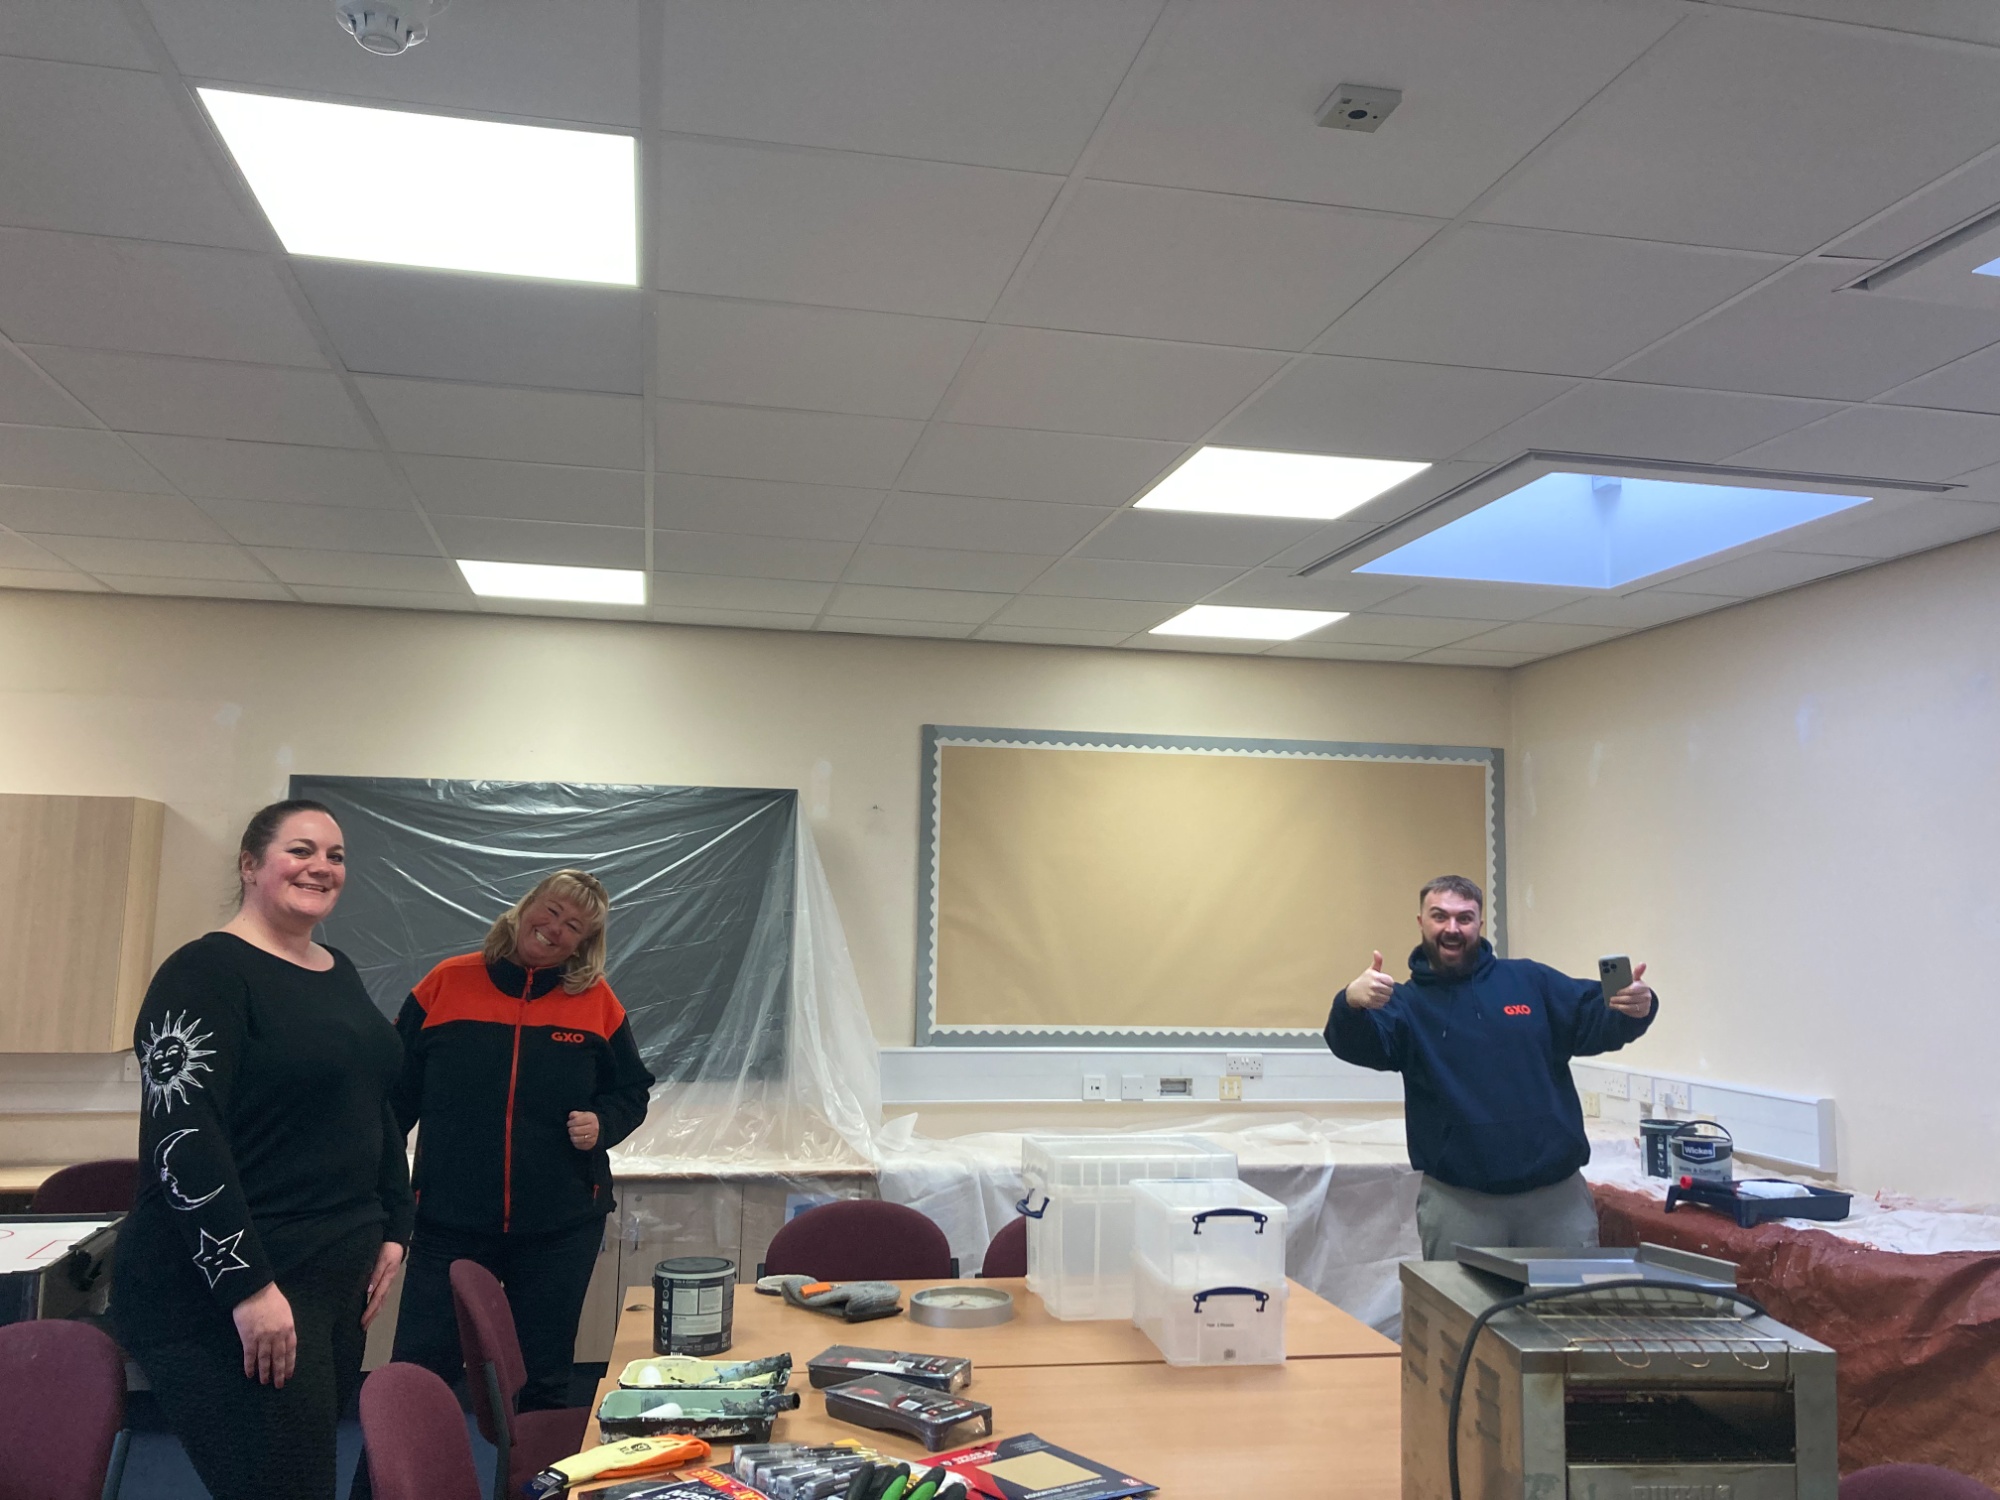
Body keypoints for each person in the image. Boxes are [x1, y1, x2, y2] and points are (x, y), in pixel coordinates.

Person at [111, 800, 412, 1500]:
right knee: (283, 1487)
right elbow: (182, 1139)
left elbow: (372, 1103)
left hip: (332, 1281)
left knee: (304, 1475)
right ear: (250, 865)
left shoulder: (335, 968)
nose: (322, 867)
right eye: (300, 850)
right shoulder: (204, 973)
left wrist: (395, 1222)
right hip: (234, 1293)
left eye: (335, 856)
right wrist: (243, 1283)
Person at [382, 869, 654, 1416]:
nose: (554, 929)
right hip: (448, 1222)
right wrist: (377, 1193)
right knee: (418, 1374)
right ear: (525, 907)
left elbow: (632, 1090)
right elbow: (392, 1101)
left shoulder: (596, 1001)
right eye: (550, 911)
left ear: (584, 943)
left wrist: (603, 1123)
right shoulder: (446, 984)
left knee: (542, 1383)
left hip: (560, 1226)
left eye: (573, 925)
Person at [1324, 874, 1656, 1260]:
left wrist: (1636, 1008)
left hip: (1555, 1204)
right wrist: (1350, 1003)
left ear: (1480, 924)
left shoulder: (1531, 981)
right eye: (1439, 916)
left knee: (1562, 1317)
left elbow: (1597, 1019)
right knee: (1462, 1318)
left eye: (1464, 918)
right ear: (1421, 923)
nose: (1452, 928)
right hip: (1459, 1205)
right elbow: (1354, 1044)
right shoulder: (1405, 1005)